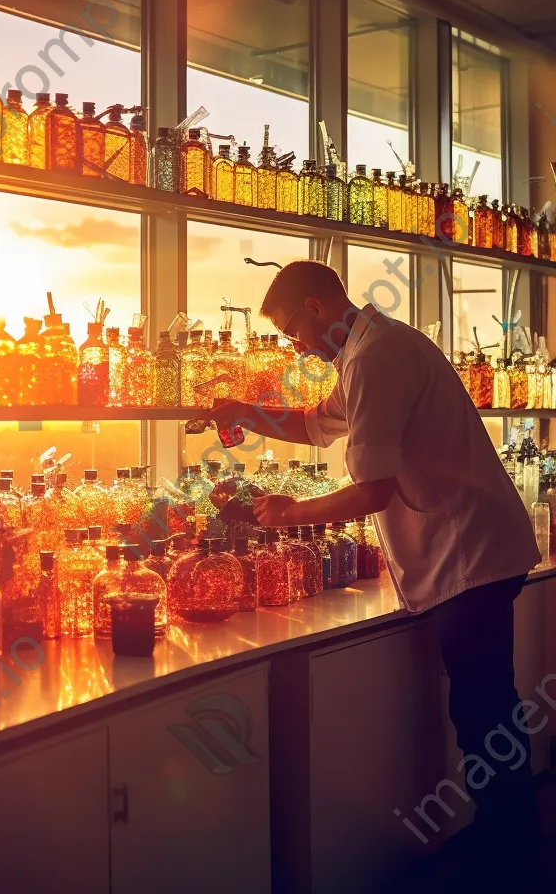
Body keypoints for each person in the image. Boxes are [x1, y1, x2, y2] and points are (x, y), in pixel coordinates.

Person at [205, 260, 541, 873]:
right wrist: (246, 412)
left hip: (471, 553)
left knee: (482, 705)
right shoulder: (372, 348)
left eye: (291, 331)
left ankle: (510, 850)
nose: (295, 346)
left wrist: (287, 513)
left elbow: (372, 491)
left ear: (315, 306)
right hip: (474, 547)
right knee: (487, 699)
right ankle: (511, 835)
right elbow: (317, 427)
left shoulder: (374, 360)